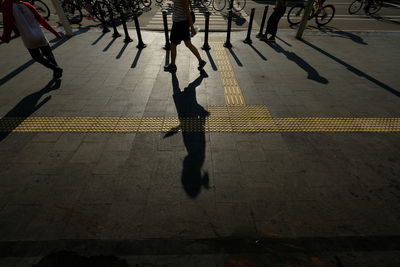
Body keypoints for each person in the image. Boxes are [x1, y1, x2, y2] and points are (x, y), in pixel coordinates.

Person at [0, 0, 63, 78]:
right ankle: (56, 69)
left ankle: (55, 68)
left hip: (28, 37)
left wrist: (5, 38)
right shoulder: (27, 4)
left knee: (37, 57)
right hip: (40, 34)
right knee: (48, 54)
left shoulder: (7, 5)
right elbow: (42, 21)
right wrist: (55, 33)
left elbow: (8, 25)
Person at [164, 0, 206, 73]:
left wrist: (192, 28)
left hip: (180, 24)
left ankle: (173, 65)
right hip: (180, 23)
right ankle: (201, 61)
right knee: (188, 43)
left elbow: (187, 11)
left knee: (173, 44)